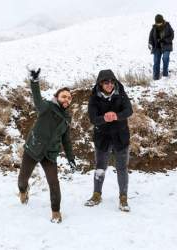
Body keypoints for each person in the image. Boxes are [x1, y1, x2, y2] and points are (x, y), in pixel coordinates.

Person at [17, 68, 77, 223]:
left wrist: (71, 158)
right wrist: (35, 82)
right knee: (22, 179)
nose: (67, 100)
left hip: (50, 154)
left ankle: (55, 212)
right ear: (57, 97)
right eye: (64, 96)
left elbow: (66, 140)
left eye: (69, 98)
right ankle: (24, 190)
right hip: (33, 148)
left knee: (54, 183)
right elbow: (37, 99)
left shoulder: (67, 118)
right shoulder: (47, 107)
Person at [85, 69, 133, 212]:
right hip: (102, 138)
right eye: (106, 82)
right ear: (100, 84)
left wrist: (117, 116)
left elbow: (129, 111)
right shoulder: (94, 97)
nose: (110, 84)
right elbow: (93, 118)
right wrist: (104, 118)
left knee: (122, 168)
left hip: (121, 137)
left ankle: (123, 198)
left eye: (112, 81)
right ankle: (96, 195)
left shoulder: (121, 93)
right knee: (100, 168)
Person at [148, 14, 174, 80]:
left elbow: (172, 36)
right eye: (157, 23)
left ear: (162, 21)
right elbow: (150, 38)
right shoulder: (153, 28)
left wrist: (164, 40)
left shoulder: (167, 26)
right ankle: (155, 78)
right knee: (156, 61)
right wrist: (150, 44)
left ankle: (165, 76)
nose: (159, 24)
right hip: (157, 47)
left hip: (166, 45)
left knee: (165, 58)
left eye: (160, 23)